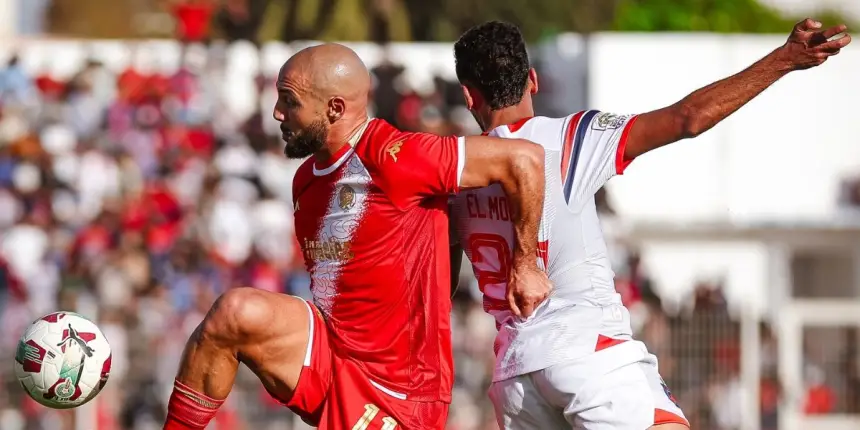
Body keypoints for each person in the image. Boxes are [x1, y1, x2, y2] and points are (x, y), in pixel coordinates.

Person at [450, 19, 850, 430]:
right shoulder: (569, 137)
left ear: (468, 95)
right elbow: (688, 118)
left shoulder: (452, 171)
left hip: (515, 379)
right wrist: (784, 59)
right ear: (532, 80)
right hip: (589, 358)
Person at [162, 43, 552, 430]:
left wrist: (526, 264)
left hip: (397, 391)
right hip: (331, 355)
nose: (278, 112)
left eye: (289, 101)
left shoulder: (396, 155)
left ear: (334, 108)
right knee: (234, 313)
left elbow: (524, 158)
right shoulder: (305, 180)